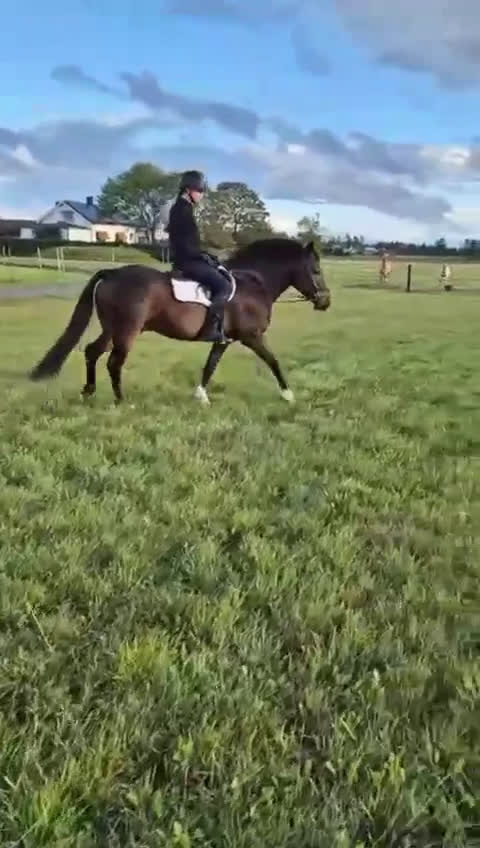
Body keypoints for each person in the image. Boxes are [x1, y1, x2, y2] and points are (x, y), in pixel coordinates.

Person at [167, 170, 231, 343]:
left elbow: (190, 244)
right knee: (224, 286)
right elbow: (185, 245)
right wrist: (203, 256)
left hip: (189, 259)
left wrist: (206, 255)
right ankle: (210, 330)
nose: (202, 195)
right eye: (200, 191)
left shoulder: (183, 208)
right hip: (187, 262)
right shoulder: (182, 210)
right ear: (188, 190)